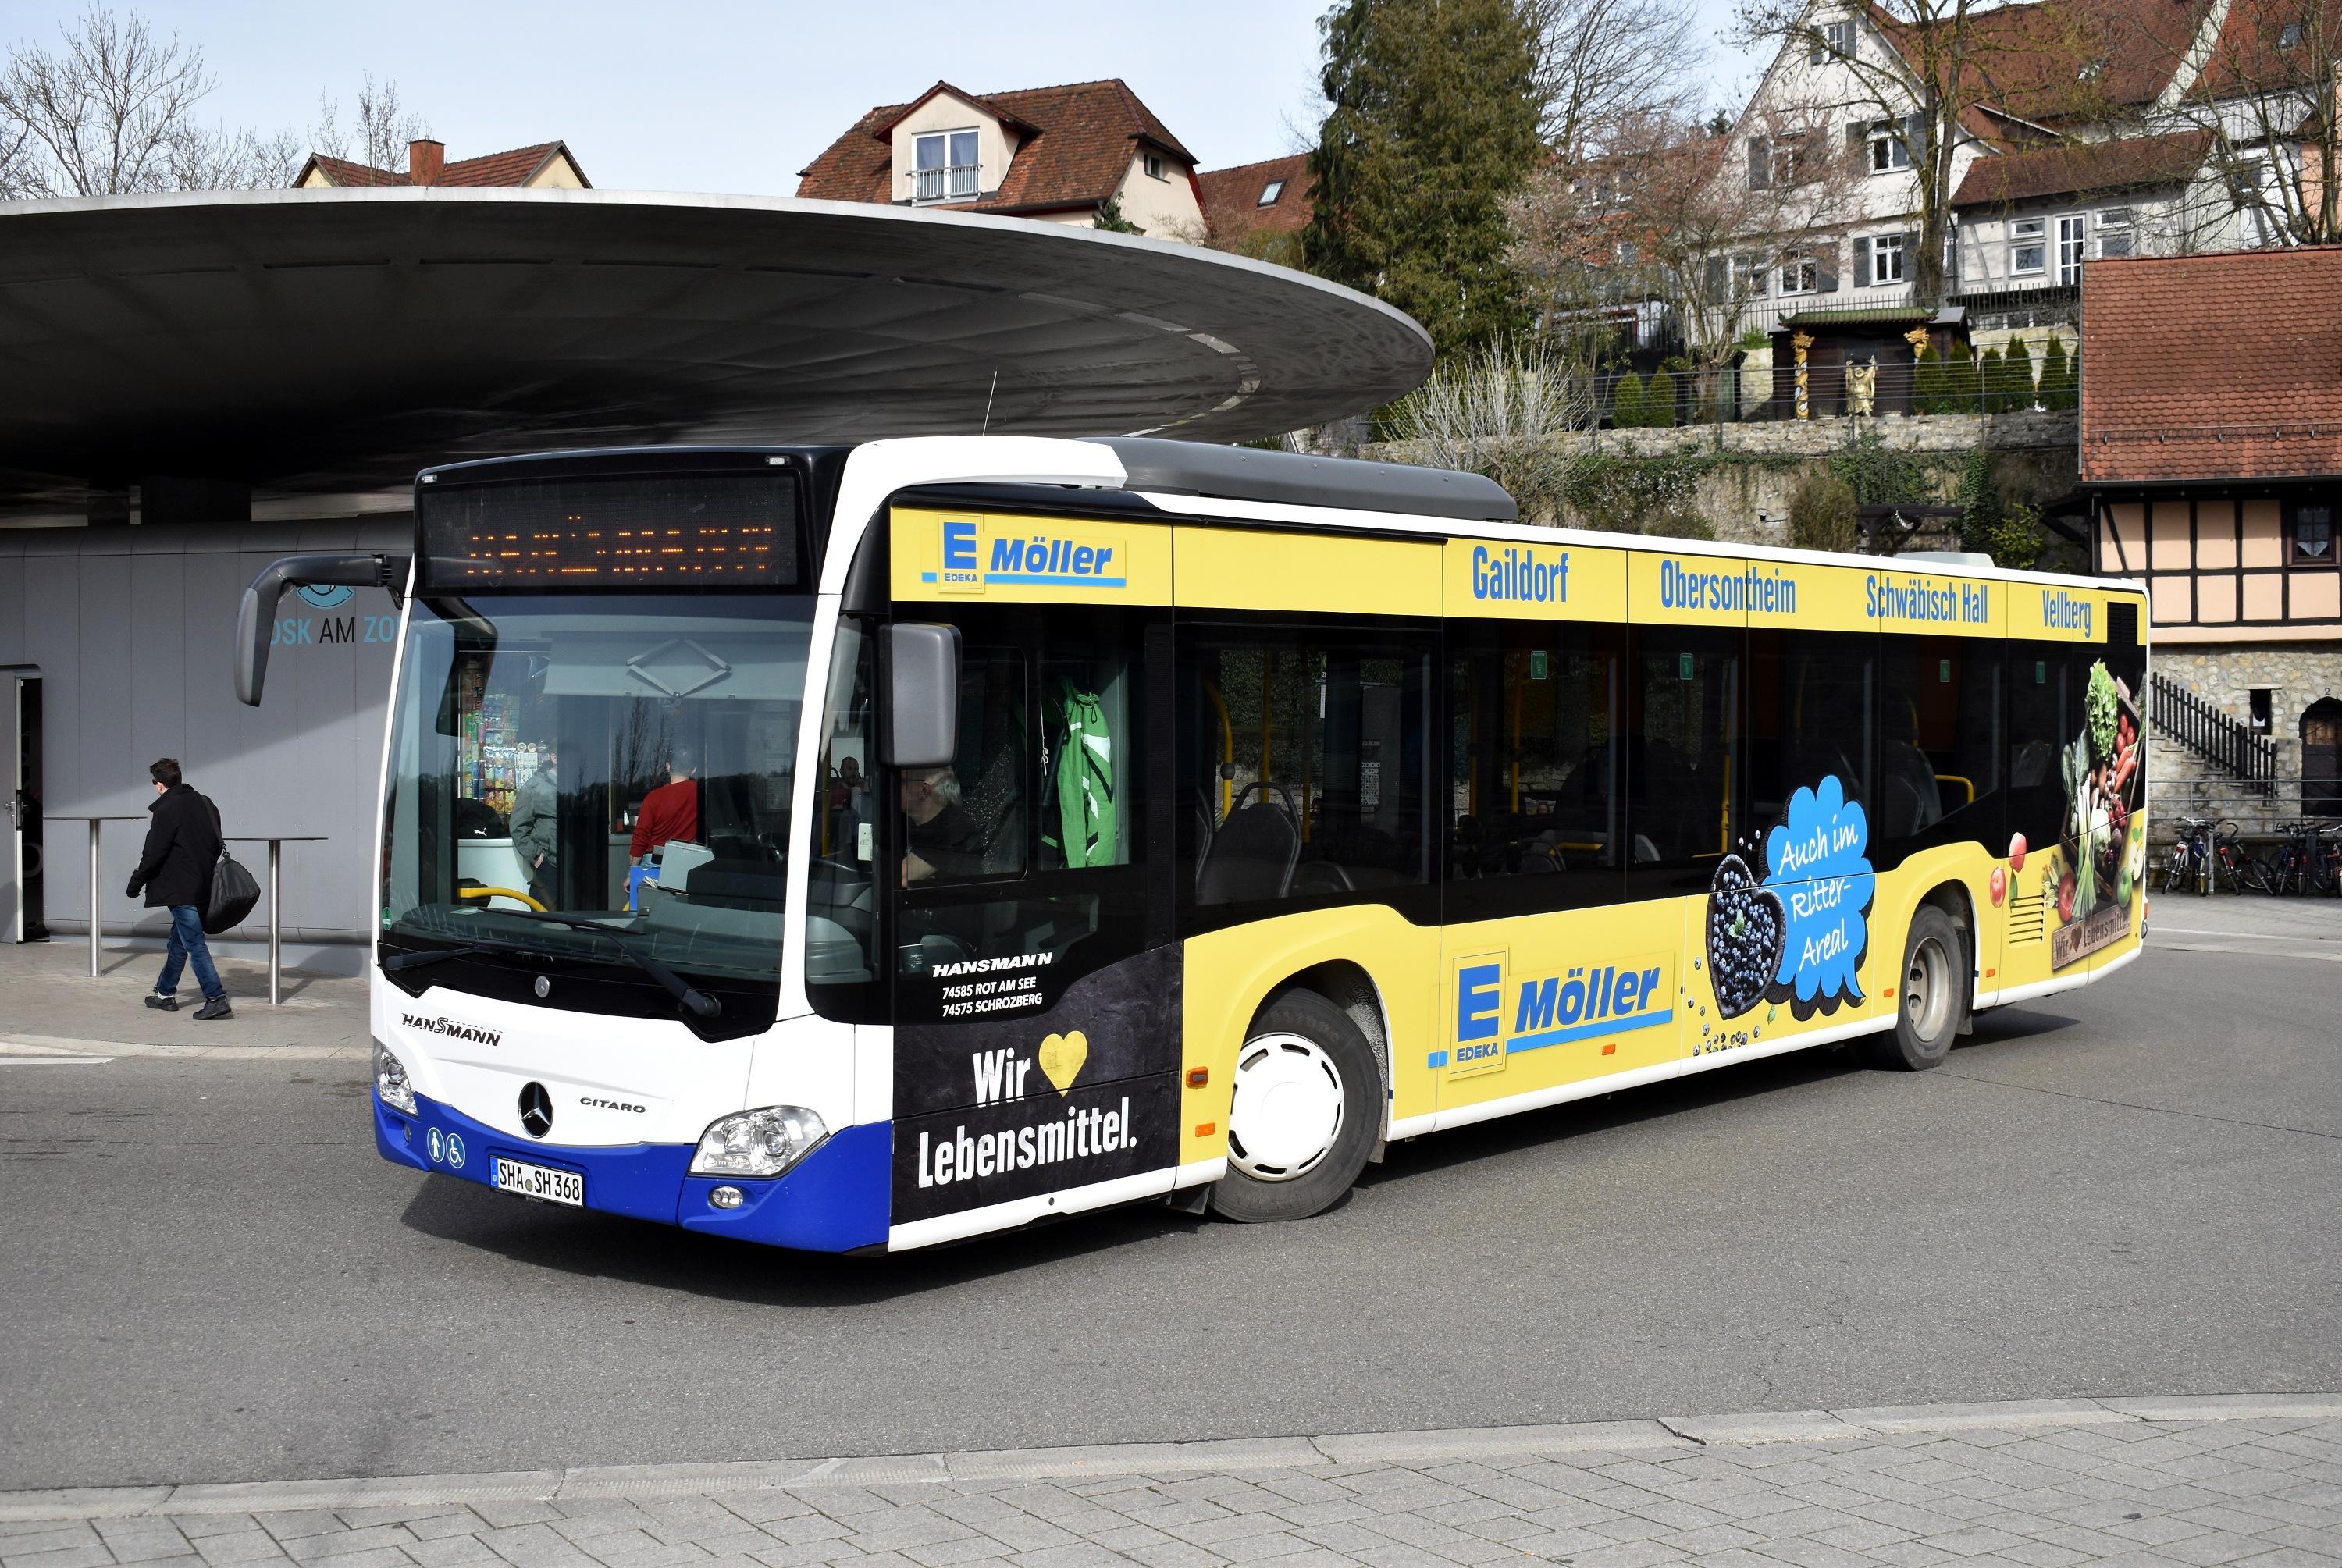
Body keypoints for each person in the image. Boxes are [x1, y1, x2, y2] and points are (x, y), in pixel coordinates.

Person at [126, 757, 231, 1020]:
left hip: (179, 886)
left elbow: (154, 852)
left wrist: (136, 882)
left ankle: (216, 997)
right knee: (179, 940)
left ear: (159, 784)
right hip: (202, 882)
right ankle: (164, 994)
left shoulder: (167, 808)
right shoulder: (205, 803)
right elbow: (215, 842)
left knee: (194, 943)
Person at [900, 765, 984, 884]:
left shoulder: (952, 829)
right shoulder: (912, 820)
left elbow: (900, 878)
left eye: (901, 782)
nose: (892, 787)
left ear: (923, 790)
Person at [630, 745, 700, 866]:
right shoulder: (701, 794)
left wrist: (632, 872)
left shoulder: (653, 797)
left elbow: (641, 837)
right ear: (694, 770)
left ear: (668, 766)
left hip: (655, 861)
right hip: (688, 861)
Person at [509, 744, 560, 908]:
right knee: (544, 924)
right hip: (549, 867)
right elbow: (518, 826)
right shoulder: (535, 786)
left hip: (577, 869)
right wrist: (536, 855)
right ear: (554, 757)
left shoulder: (580, 785)